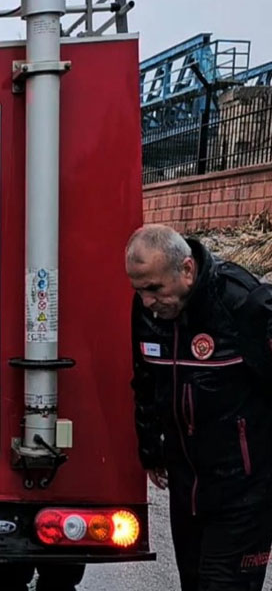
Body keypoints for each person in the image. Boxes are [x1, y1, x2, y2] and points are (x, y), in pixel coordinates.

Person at [126, 224, 272, 591]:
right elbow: (144, 380)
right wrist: (150, 449)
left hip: (244, 493)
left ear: (187, 270)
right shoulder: (146, 311)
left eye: (155, 288)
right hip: (187, 489)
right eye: (139, 290)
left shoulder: (242, 303)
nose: (147, 301)